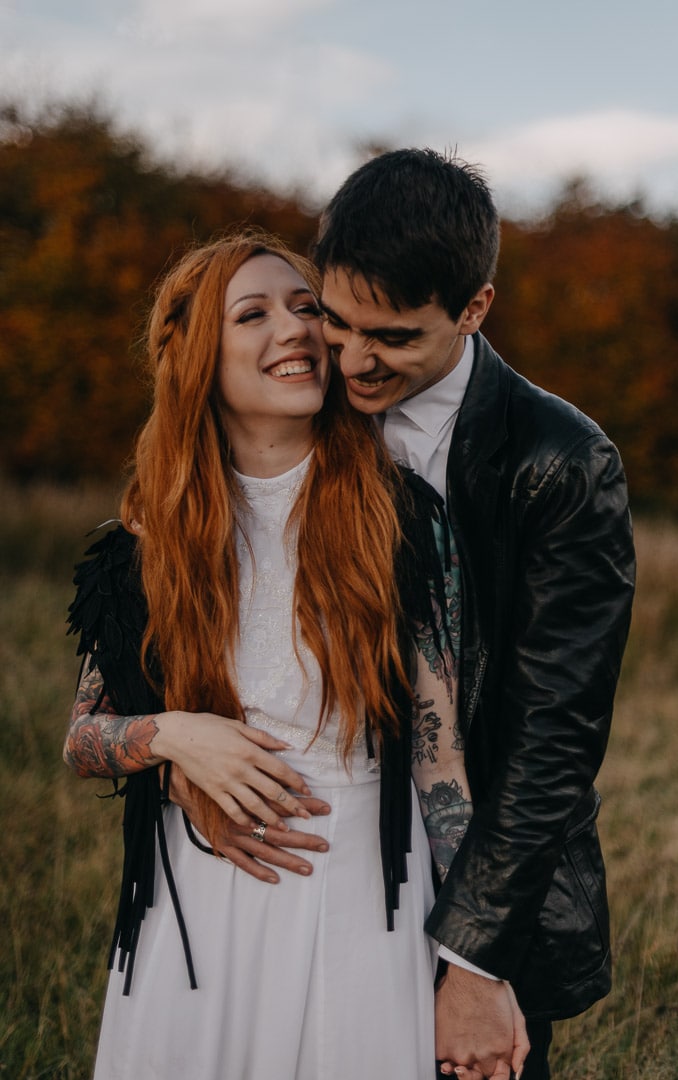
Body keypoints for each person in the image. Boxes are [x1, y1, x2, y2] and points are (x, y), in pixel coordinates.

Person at [183, 151, 635, 1078]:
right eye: (337, 322)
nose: (352, 358)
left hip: (480, 880)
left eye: (389, 336)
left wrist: (472, 960)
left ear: (474, 309)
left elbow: (553, 734)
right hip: (314, 869)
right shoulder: (312, 402)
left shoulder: (560, 462)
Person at [64, 230, 484, 1079]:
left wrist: (474, 966)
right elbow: (84, 736)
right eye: (252, 314)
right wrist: (178, 737)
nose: (294, 330)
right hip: (201, 892)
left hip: (366, 886)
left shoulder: (401, 516)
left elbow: (442, 764)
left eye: (305, 309)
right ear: (195, 360)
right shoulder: (144, 543)